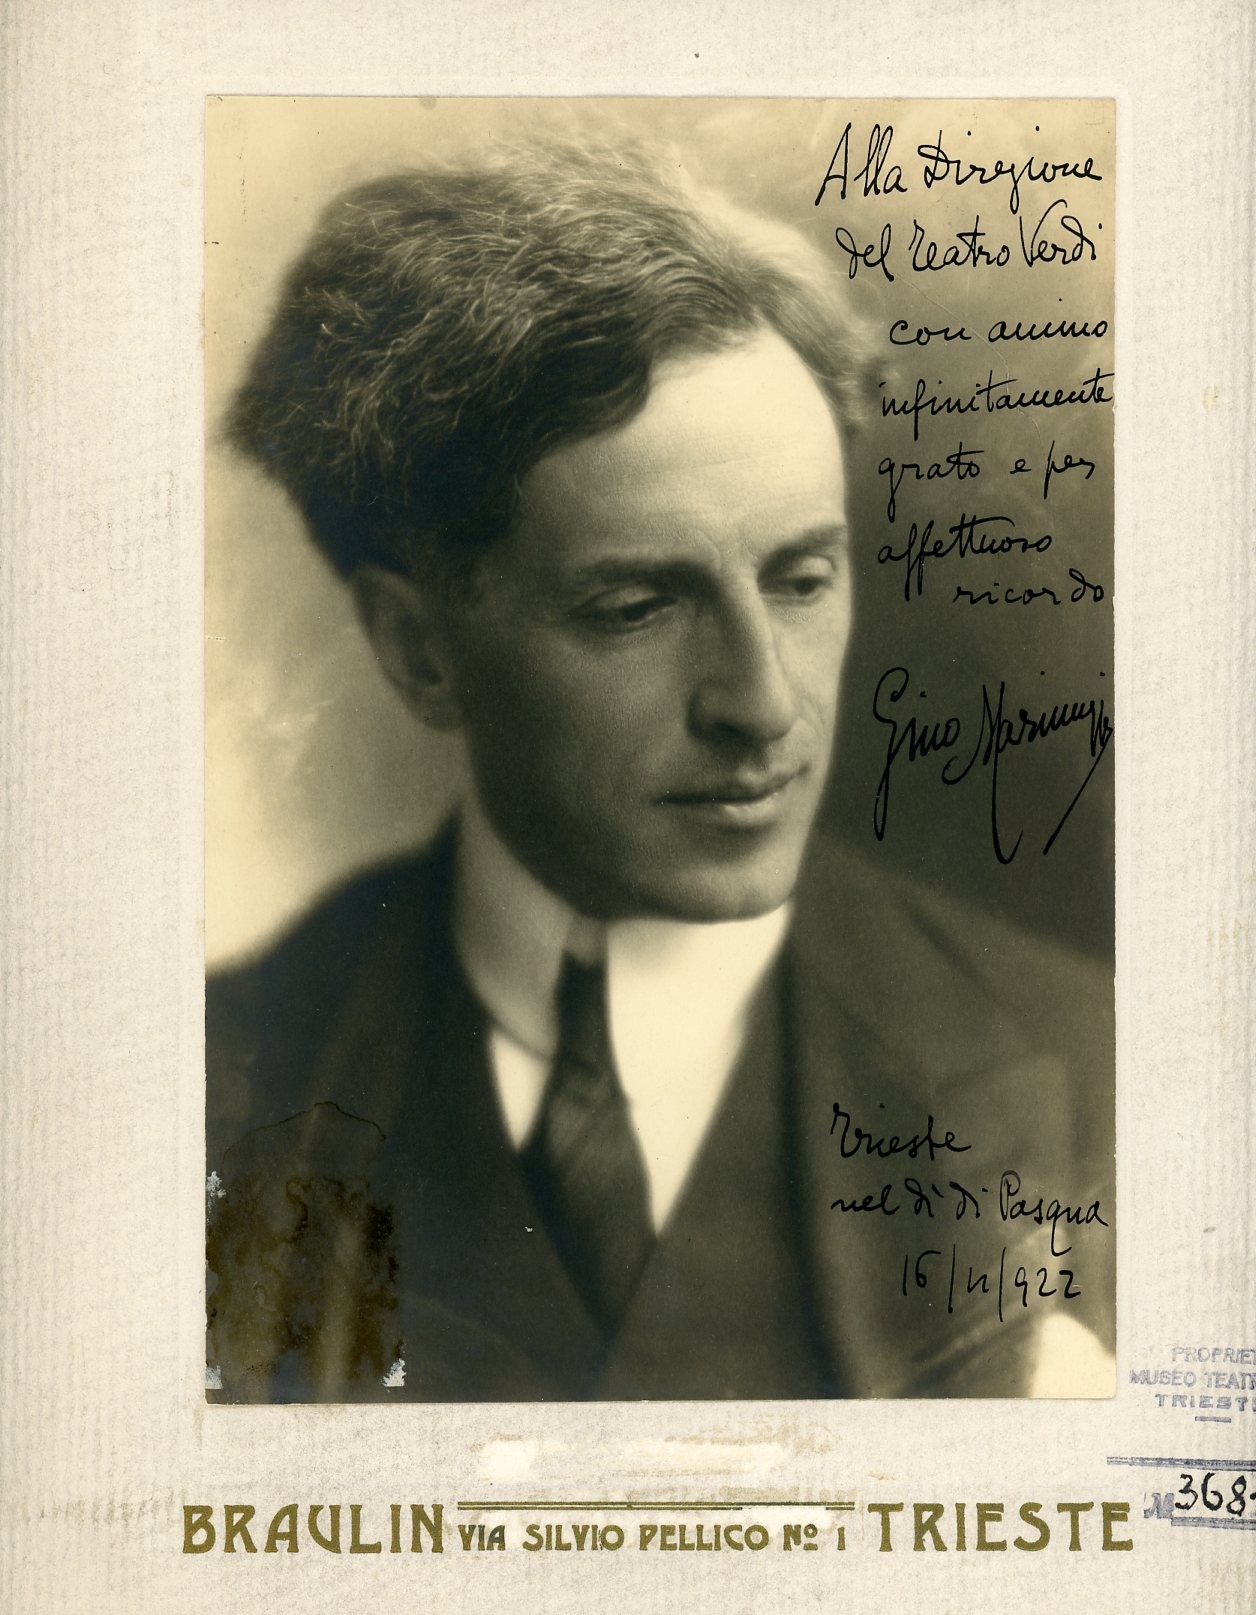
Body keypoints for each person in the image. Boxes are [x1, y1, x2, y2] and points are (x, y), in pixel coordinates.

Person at [206, 142, 1114, 1402]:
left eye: (801, 579)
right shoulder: (211, 1084)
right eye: (636, 606)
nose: (762, 703)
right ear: (419, 650)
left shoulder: (1106, 1073)